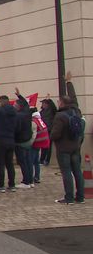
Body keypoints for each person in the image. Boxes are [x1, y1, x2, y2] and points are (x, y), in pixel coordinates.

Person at [51, 72, 85, 204]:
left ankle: (69, 198)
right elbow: (74, 98)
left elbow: (55, 134)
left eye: (59, 101)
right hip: (75, 146)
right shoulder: (75, 110)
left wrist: (52, 137)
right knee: (77, 171)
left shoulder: (60, 116)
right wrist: (69, 83)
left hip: (63, 148)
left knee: (66, 173)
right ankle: (80, 197)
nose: (58, 103)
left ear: (62, 104)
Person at [13, 88, 34, 189]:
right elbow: (25, 103)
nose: (13, 106)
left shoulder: (18, 116)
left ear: (18, 107)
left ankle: (26, 181)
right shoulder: (27, 112)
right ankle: (31, 180)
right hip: (28, 140)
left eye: (15, 105)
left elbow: (16, 129)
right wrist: (19, 95)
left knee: (23, 162)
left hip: (20, 141)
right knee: (28, 161)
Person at [31, 111, 50, 184]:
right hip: (42, 143)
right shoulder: (41, 121)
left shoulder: (34, 122)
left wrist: (30, 143)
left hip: (36, 143)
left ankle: (30, 178)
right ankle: (37, 177)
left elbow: (34, 134)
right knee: (36, 162)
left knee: (31, 161)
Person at [39, 97, 57, 166]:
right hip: (43, 130)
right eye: (42, 103)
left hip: (49, 130)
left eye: (44, 103)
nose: (43, 104)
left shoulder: (51, 111)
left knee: (48, 146)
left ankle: (46, 160)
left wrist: (49, 100)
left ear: (48, 104)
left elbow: (54, 108)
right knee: (43, 145)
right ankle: (41, 160)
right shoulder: (41, 112)